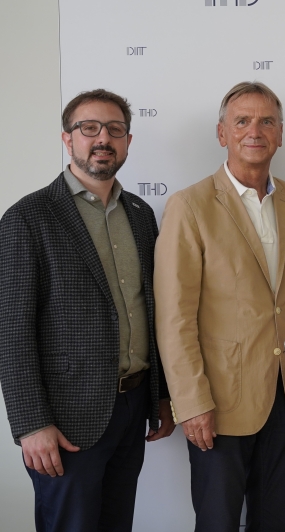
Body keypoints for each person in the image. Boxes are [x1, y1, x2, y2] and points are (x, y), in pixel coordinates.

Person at [0, 89, 174, 531]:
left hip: (133, 405)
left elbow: (151, 310)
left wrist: (162, 396)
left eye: (115, 130)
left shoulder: (141, 215)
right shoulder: (28, 217)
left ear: (128, 142)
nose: (103, 139)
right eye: (89, 128)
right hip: (65, 419)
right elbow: (11, 331)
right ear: (67, 138)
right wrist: (31, 424)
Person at [153, 81, 285, 532]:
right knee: (217, 523)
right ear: (222, 133)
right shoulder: (189, 206)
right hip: (218, 402)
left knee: (276, 522)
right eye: (241, 121)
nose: (254, 131)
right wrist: (191, 403)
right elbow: (174, 318)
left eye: (267, 121)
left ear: (281, 134)